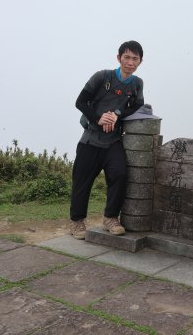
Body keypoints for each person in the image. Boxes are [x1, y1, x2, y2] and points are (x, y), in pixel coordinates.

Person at [69, 40, 144, 239]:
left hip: (113, 140)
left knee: (119, 174)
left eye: (135, 58)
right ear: (118, 58)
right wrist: (98, 117)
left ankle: (110, 218)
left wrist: (117, 113)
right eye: (126, 57)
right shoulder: (102, 77)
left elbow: (138, 105)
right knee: (82, 181)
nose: (130, 62)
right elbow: (80, 101)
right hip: (91, 139)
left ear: (140, 61)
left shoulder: (137, 84)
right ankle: (77, 222)